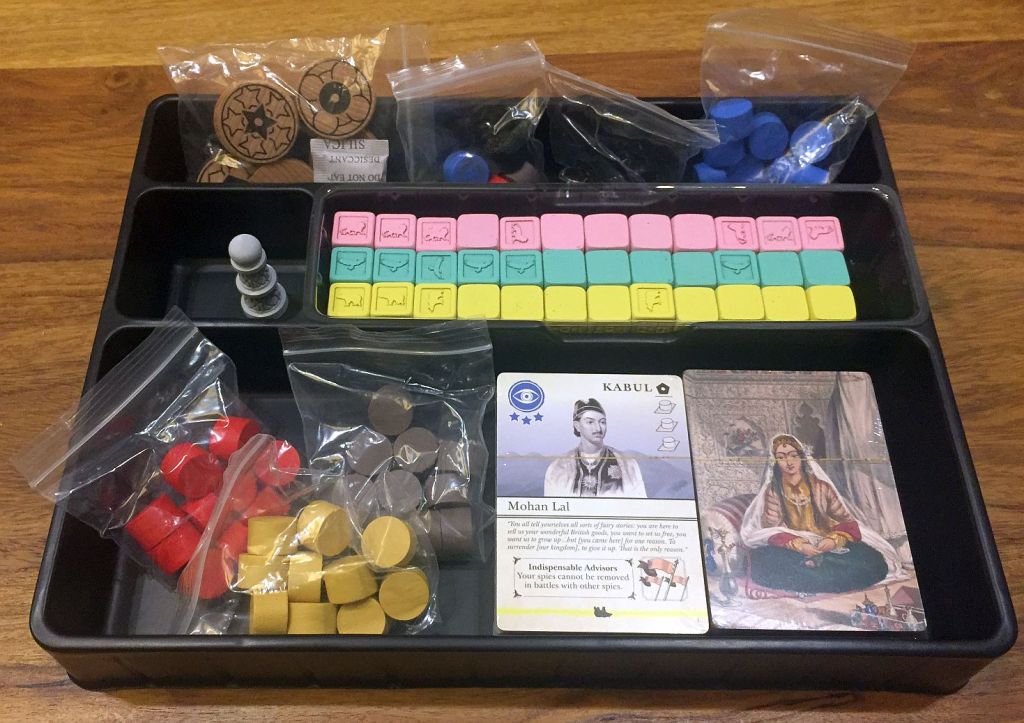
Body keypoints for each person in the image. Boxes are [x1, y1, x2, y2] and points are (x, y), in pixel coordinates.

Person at [739, 434, 905, 594]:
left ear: (802, 457)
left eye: (793, 455)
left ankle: (821, 571)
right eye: (781, 457)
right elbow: (772, 530)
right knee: (765, 561)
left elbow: (846, 521)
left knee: (872, 560)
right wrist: (800, 545)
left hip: (826, 543)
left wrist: (833, 540)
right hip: (794, 548)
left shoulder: (822, 487)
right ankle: (820, 572)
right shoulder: (773, 492)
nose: (789, 462)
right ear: (775, 462)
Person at [543, 398, 646, 497]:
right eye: (590, 422)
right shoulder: (558, 468)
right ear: (577, 426)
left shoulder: (627, 465)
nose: (598, 428)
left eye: (602, 422)